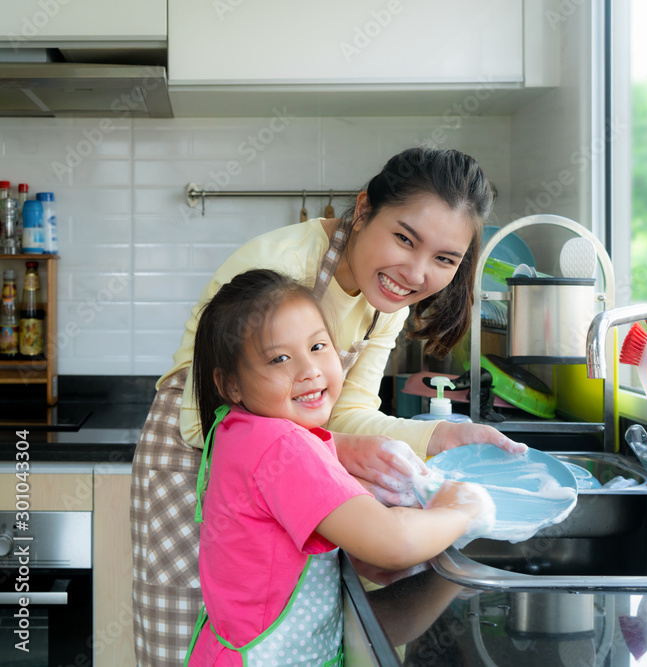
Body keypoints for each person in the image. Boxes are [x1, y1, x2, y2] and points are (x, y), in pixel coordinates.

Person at [131, 147, 525, 666]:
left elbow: (348, 409)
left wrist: (439, 438)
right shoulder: (280, 270)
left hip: (283, 464)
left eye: (444, 259)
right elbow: (206, 411)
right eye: (405, 239)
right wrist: (335, 450)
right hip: (195, 461)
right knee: (195, 642)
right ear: (364, 210)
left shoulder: (385, 299)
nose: (415, 272)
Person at [186, 268, 493, 665]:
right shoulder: (282, 447)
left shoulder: (240, 429)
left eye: (318, 347)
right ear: (231, 385)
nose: (309, 370)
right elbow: (393, 543)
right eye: (280, 358)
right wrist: (462, 509)